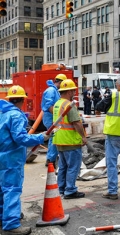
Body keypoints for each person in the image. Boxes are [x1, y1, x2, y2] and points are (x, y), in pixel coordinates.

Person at [0, 85, 49, 235]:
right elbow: (20, 138)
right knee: (12, 189)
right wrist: (41, 137)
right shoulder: (15, 115)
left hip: (3, 156)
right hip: (11, 158)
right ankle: (11, 223)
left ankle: (5, 215)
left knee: (3, 188)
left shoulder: (3, 113)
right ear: (22, 100)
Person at [53, 79, 87, 199]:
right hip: (70, 141)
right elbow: (76, 123)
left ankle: (61, 188)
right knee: (73, 167)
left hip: (59, 140)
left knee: (63, 167)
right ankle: (70, 190)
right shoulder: (69, 105)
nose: (74, 93)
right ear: (69, 92)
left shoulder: (58, 103)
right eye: (73, 91)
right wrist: (83, 136)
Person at [41, 73, 67, 167]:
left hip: (53, 118)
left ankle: (51, 158)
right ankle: (50, 160)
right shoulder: (51, 91)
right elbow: (49, 106)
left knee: (54, 137)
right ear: (60, 82)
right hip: (51, 119)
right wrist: (57, 116)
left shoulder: (55, 91)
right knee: (54, 137)